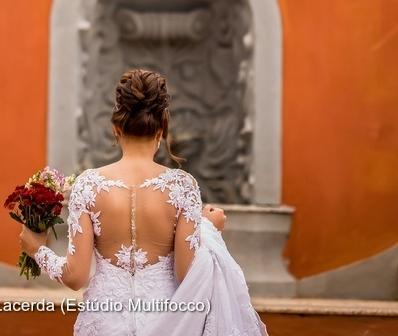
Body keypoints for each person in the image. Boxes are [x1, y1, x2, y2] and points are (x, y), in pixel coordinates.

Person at [19, 69, 269, 335]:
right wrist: (208, 228)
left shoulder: (88, 185)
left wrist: (37, 250)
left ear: (116, 128)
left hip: (104, 323)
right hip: (167, 323)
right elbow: (189, 276)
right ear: (161, 130)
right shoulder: (182, 186)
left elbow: (74, 276)